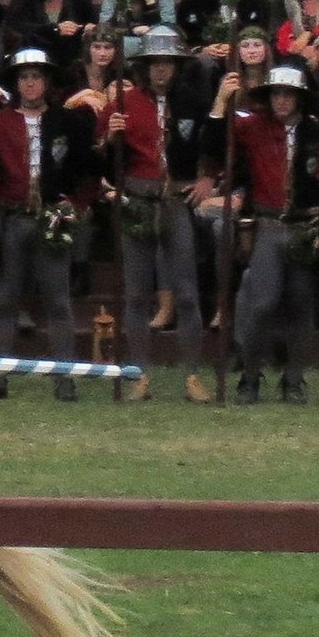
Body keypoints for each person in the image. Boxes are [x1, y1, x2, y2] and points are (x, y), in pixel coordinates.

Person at [0, 48, 103, 401]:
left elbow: (88, 167)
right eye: (24, 77)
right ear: (16, 83)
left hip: (53, 218)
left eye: (36, 77)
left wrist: (77, 204)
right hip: (13, 216)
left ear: (47, 82)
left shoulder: (67, 122)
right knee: (5, 298)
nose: (30, 83)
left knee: (58, 299)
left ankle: (64, 375)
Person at [104, 27, 214, 403]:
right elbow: (101, 160)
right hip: (137, 198)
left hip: (175, 201)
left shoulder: (194, 101)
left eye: (167, 63)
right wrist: (109, 136)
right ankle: (139, 375)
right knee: (136, 294)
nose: (161, 70)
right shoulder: (123, 101)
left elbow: (214, 142)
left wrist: (208, 178)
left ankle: (193, 376)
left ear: (176, 65)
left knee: (186, 292)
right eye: (154, 64)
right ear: (145, 67)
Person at [214, 63, 319, 404]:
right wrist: (220, 104)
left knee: (302, 304)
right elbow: (218, 142)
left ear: (299, 98)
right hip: (269, 225)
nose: (281, 100)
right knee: (262, 302)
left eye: (288, 93)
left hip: (307, 227)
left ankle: (294, 380)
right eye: (276, 92)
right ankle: (250, 374)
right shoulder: (254, 126)